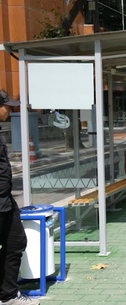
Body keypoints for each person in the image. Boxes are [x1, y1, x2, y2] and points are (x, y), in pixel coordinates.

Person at [0, 91, 40, 305]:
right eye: (7, 106)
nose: (9, 110)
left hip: (6, 200)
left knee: (16, 242)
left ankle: (8, 295)